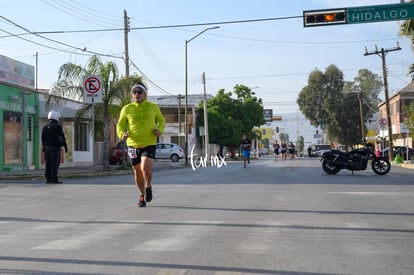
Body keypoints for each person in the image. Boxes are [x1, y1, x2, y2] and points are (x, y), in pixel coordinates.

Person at [116, 83, 165, 207]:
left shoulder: (152, 107)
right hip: (132, 144)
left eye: (139, 92)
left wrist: (160, 130)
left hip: (149, 143)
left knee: (144, 168)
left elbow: (161, 120)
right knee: (137, 173)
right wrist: (122, 134)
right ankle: (142, 195)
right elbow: (120, 124)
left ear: (145, 94)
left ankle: (148, 186)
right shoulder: (127, 108)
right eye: (134, 92)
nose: (136, 94)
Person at [41, 110, 67, 184]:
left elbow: (42, 138)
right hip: (55, 148)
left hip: (47, 148)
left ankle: (48, 178)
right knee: (54, 164)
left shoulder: (45, 127)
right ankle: (54, 178)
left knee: (48, 163)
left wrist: (44, 147)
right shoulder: (57, 126)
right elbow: (62, 136)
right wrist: (65, 146)